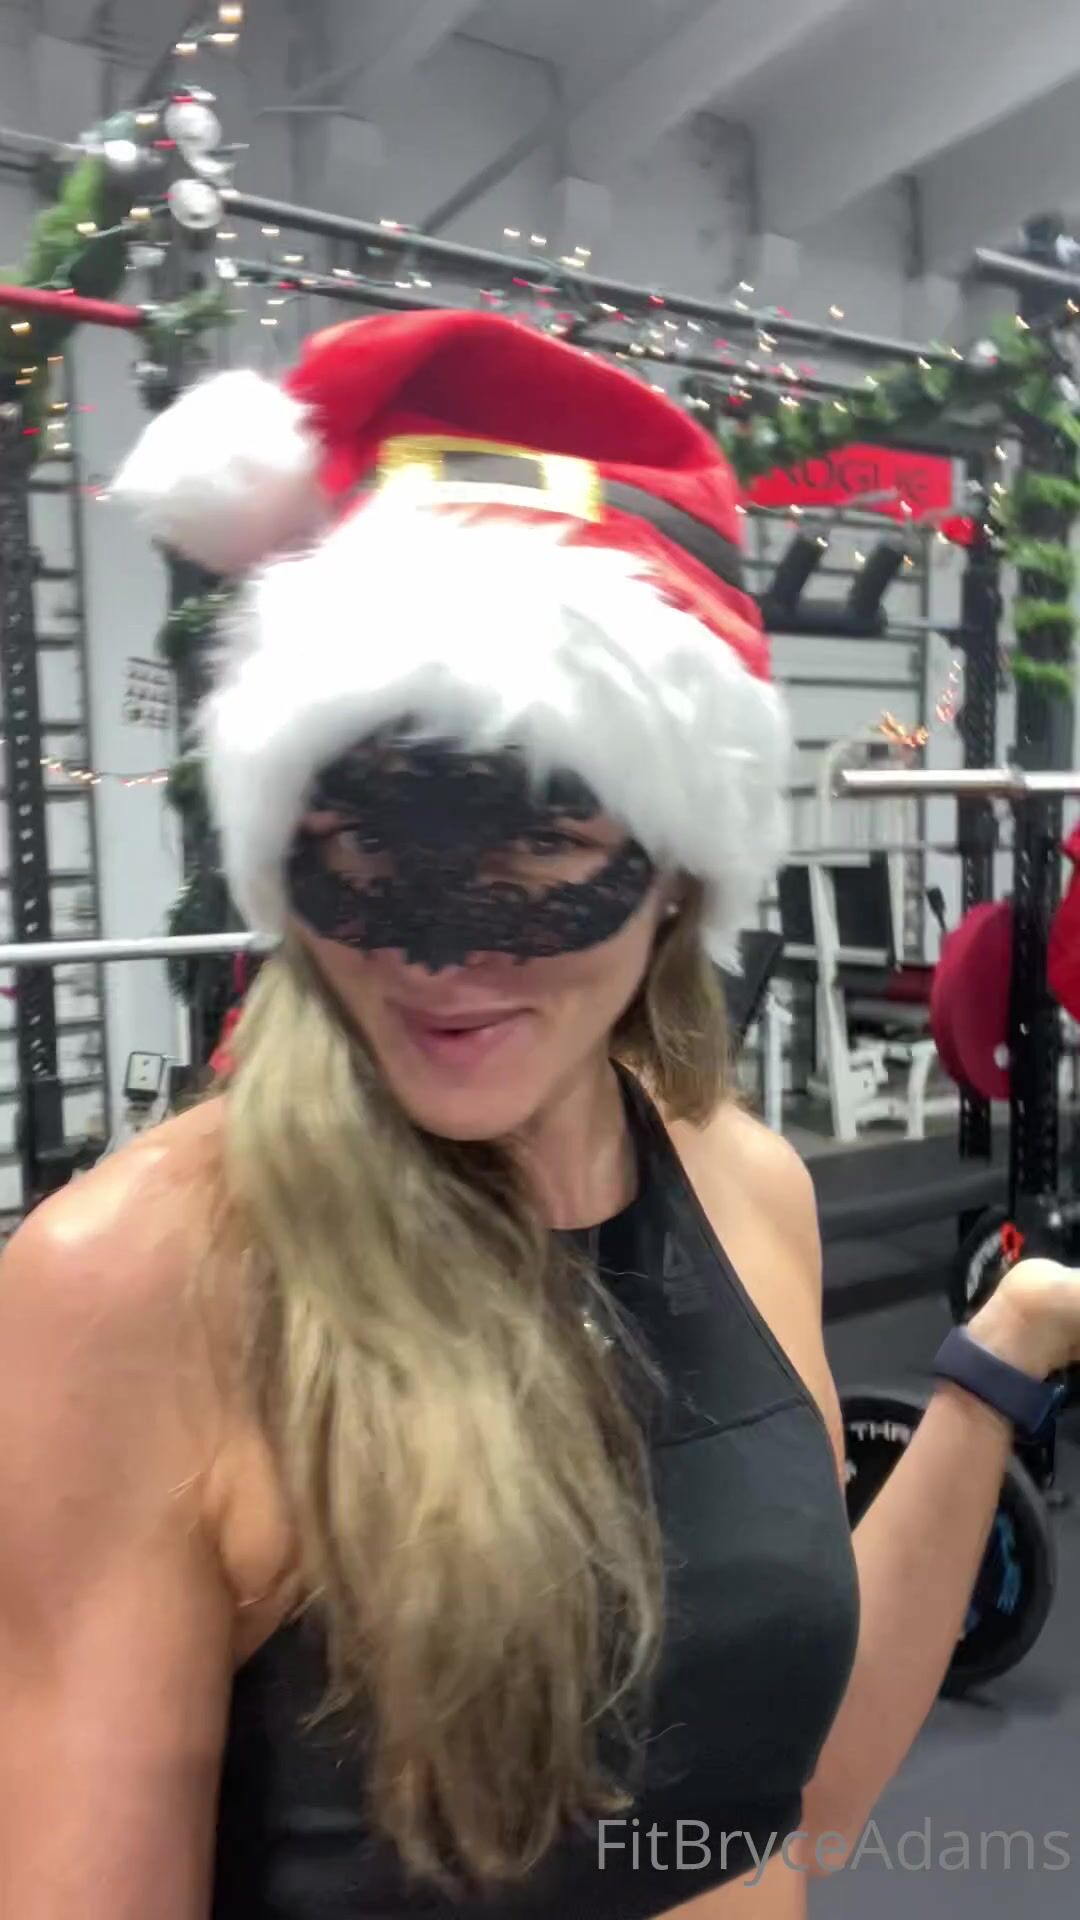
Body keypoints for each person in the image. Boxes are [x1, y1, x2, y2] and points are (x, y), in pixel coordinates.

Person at [1, 310, 1078, 1920]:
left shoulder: (740, 1186)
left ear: (681, 867)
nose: (445, 953)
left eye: (547, 839)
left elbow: (779, 1807)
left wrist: (997, 1363)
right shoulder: (136, 1284)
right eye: (368, 836)